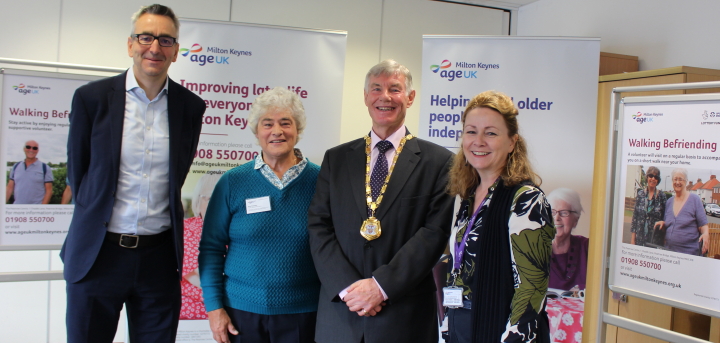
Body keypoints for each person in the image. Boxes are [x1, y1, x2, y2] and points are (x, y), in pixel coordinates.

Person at [61, 4, 205, 343]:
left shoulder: (191, 107)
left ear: (176, 51)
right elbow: (79, 175)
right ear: (130, 45)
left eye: (166, 40)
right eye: (146, 37)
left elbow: (178, 174)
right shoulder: (91, 99)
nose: (154, 47)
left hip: (158, 260)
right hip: (98, 255)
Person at [307, 59, 454, 343]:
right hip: (341, 313)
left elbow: (433, 234)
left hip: (403, 315)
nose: (384, 97)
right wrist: (349, 288)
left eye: (394, 89)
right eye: (376, 88)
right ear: (365, 97)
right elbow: (318, 225)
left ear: (410, 97)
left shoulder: (440, 162)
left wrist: (380, 286)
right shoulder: (336, 159)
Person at [200, 87, 320, 343]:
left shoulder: (321, 182)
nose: (277, 131)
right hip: (241, 313)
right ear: (257, 132)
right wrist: (214, 308)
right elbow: (210, 249)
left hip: (305, 312)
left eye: (285, 123)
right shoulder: (233, 182)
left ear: (297, 130)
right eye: (268, 124)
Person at [445, 90, 554, 343]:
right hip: (462, 324)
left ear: (512, 142)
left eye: (491, 133)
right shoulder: (471, 194)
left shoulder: (526, 200)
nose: (478, 141)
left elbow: (531, 290)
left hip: (500, 331)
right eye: (471, 131)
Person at [181, 171, 222, 320]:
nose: (217, 205)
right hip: (192, 316)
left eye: (224, 199)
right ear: (198, 201)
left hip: (235, 314)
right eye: (210, 198)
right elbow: (195, 277)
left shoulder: (240, 231)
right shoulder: (184, 230)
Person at [656, 168, 709, 256]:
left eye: (681, 179)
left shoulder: (695, 200)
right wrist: (663, 223)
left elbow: (703, 224)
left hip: (689, 254)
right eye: (675, 179)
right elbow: (671, 224)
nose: (677, 182)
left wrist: (706, 233)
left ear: (686, 181)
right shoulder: (669, 202)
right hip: (669, 252)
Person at [547, 188, 589, 291]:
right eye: (552, 212)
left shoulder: (587, 247)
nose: (556, 218)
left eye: (564, 213)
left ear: (575, 220)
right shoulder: (532, 249)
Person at [6, 140, 53, 204]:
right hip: (17, 208)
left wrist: (42, 209)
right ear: (24, 149)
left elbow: (49, 191)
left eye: (34, 148)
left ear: (37, 151)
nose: (31, 150)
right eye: (28, 147)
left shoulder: (45, 168)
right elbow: (9, 188)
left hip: (35, 210)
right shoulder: (16, 166)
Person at [630, 166, 667, 247]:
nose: (653, 179)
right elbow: (635, 217)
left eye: (656, 177)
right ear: (647, 177)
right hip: (640, 238)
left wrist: (664, 239)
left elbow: (666, 217)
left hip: (655, 239)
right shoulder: (640, 194)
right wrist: (633, 240)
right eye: (651, 176)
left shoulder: (662, 196)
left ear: (658, 180)